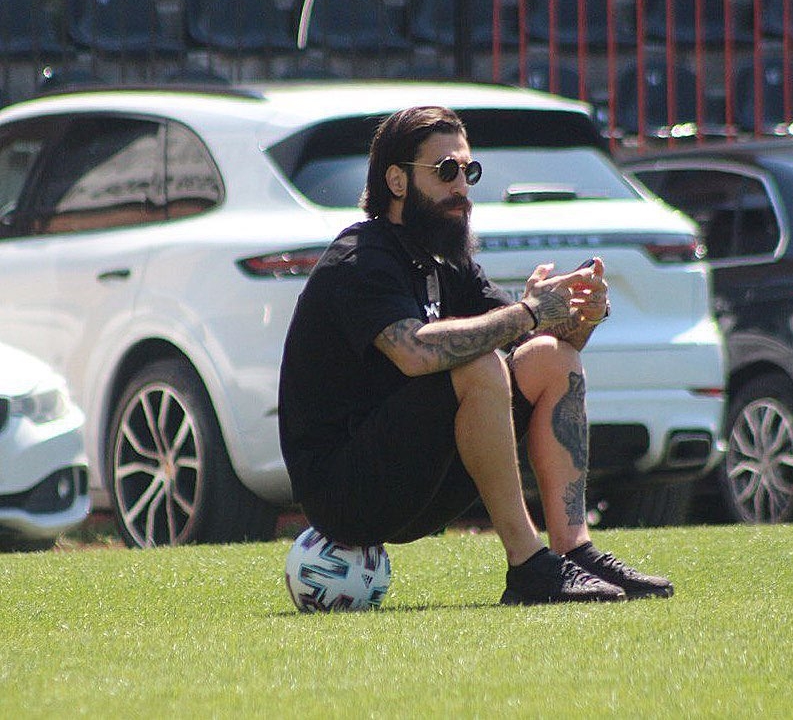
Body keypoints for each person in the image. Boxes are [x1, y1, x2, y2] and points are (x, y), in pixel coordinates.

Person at [278, 106, 673, 605]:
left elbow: (532, 344)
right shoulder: (360, 257)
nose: (462, 185)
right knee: (479, 364)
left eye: (469, 171)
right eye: (446, 171)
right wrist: (530, 311)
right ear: (396, 181)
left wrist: (579, 317)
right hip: (345, 494)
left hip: (419, 477)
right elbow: (416, 354)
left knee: (553, 360)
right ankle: (529, 565)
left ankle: (573, 551)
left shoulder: (448, 261)